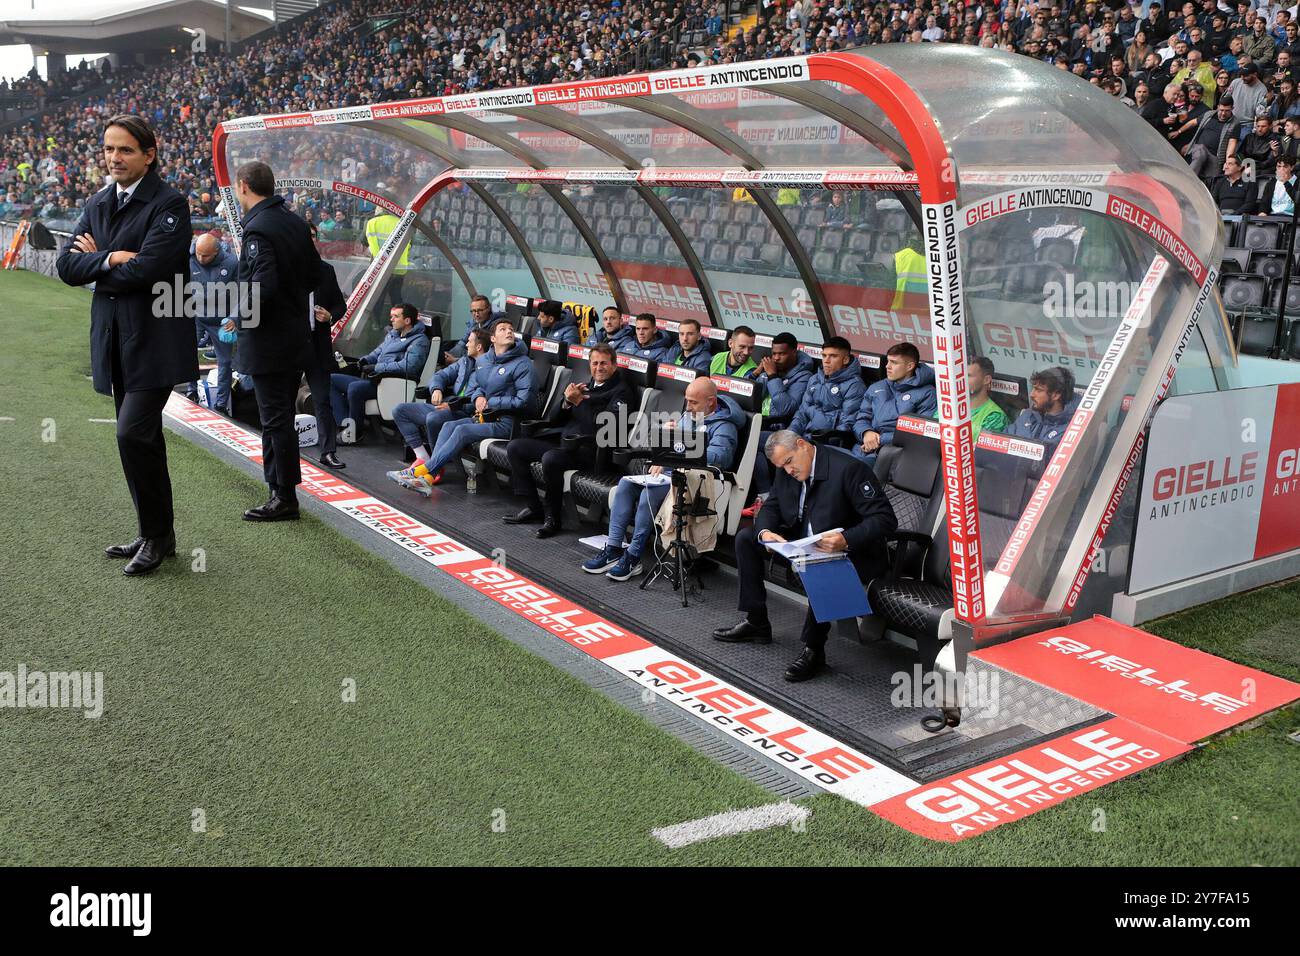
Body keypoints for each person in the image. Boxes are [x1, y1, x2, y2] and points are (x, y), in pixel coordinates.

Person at [55, 114, 196, 575]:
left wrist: (95, 261)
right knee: (139, 440)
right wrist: (112, 256)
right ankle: (156, 533)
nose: (114, 158)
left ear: (149, 155)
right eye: (109, 149)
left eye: (125, 150)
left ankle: (156, 536)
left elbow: (149, 270)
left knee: (133, 432)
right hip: (115, 339)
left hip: (156, 339)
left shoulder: (170, 204)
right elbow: (66, 267)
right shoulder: (99, 200)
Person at [713, 431, 897, 683]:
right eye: (781, 466)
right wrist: (766, 532)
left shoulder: (849, 469)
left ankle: (814, 649)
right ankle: (756, 622)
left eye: (789, 462)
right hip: (802, 541)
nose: (787, 470)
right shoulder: (786, 469)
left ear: (802, 445)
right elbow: (773, 505)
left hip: (848, 550)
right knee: (748, 539)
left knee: (822, 566)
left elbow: (885, 520)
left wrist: (847, 539)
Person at [230, 159, 322, 522]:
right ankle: (282, 492)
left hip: (268, 341)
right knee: (280, 416)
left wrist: (238, 315)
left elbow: (262, 285)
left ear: (243, 187)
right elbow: (316, 275)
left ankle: (283, 496)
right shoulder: (295, 222)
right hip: (294, 338)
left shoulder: (258, 229)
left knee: (275, 420)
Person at [582, 377, 744, 582]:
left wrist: (676, 453)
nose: (688, 406)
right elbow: (677, 448)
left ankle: (633, 557)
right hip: (671, 474)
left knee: (648, 492)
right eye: (687, 400)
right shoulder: (689, 414)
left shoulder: (724, 426)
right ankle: (613, 549)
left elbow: (720, 458)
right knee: (625, 484)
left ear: (711, 402)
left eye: (693, 402)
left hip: (696, 481)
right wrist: (668, 439)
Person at [504, 343, 630, 537]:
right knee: (516, 447)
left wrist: (579, 401)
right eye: (594, 363)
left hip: (591, 451)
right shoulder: (585, 386)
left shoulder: (622, 392)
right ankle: (534, 507)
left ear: (614, 365)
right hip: (564, 443)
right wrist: (567, 401)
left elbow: (605, 429)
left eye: (604, 363)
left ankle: (552, 518)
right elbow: (554, 419)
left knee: (551, 459)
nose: (598, 368)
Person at [405, 318, 535, 493]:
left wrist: (491, 402)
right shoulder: (485, 361)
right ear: (493, 339)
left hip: (508, 422)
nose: (509, 331)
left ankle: (423, 470)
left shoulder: (523, 363)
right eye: (502, 329)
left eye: (511, 328)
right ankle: (428, 477)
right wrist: (478, 397)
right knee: (449, 425)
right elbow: (476, 388)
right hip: (484, 417)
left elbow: (525, 401)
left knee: (462, 430)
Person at [389, 327, 488, 488]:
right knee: (400, 410)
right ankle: (424, 459)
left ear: (479, 347)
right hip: (446, 404)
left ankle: (435, 468)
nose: (466, 344)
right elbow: (440, 375)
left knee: (434, 418)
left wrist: (453, 405)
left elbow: (480, 399)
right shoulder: (464, 361)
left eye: (470, 341)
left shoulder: (487, 367)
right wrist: (436, 388)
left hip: (462, 411)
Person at [329, 303, 429, 444]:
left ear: (407, 321)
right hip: (376, 380)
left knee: (355, 388)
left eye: (396, 316)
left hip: (391, 384)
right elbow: (377, 353)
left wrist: (377, 367)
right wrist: (363, 362)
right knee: (330, 380)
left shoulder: (419, 341)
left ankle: (355, 434)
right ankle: (346, 425)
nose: (392, 320)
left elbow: (409, 367)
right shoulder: (393, 335)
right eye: (391, 316)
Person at [745, 332, 818, 515]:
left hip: (781, 430)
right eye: (774, 353)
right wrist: (756, 373)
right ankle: (760, 493)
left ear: (794, 352)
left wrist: (772, 377)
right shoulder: (770, 369)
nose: (776, 358)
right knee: (743, 436)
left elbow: (787, 408)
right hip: (761, 424)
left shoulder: (804, 375)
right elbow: (746, 395)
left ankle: (765, 495)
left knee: (749, 440)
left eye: (781, 354)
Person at [305, 223, 348, 469]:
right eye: (306, 236)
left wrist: (330, 316)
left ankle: (328, 452)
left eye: (313, 236)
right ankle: (284, 449)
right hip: (292, 346)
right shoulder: (287, 269)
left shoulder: (325, 270)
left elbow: (339, 305)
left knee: (322, 400)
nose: (310, 240)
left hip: (319, 347)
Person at [854, 342, 937, 463]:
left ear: (910, 366)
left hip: (896, 456)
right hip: (863, 448)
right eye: (888, 361)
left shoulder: (928, 393)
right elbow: (861, 418)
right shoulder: (877, 387)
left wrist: (879, 440)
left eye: (894, 362)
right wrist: (866, 432)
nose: (887, 366)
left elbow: (918, 433)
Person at [186, 233, 238, 415]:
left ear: (216, 251)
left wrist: (234, 318)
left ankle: (221, 403)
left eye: (205, 255)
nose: (201, 258)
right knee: (187, 352)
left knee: (224, 361)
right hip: (197, 315)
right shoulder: (190, 256)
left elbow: (243, 293)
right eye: (198, 253)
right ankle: (191, 390)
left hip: (221, 320)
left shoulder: (232, 263)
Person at [789, 337, 866, 439]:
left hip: (825, 442)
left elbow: (847, 424)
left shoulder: (854, 385)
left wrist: (822, 441)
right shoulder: (814, 379)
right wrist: (790, 433)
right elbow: (802, 413)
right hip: (804, 438)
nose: (826, 361)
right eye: (824, 356)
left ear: (845, 360)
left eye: (833, 356)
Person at [1005, 367, 1079, 449]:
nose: (1032, 394)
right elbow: (1003, 443)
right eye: (1033, 388)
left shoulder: (1072, 428)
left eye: (1038, 390)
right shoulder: (1028, 415)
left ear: (1056, 395)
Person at [364, 208, 410, 311]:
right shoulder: (403, 223)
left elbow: (364, 240)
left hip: (380, 267)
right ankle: (399, 323)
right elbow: (410, 244)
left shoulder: (372, 222)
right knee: (396, 297)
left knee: (378, 297)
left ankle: (376, 324)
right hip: (399, 268)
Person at [446, 295, 498, 363]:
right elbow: (463, 342)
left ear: (488, 309)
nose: (476, 314)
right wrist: (449, 356)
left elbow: (484, 356)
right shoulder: (474, 322)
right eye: (473, 311)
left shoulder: (496, 327)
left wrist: (456, 360)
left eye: (480, 310)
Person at [968, 357, 1010, 438]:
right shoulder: (951, 407)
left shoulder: (995, 417)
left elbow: (982, 450)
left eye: (968, 376)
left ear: (986, 380)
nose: (961, 379)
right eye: (960, 375)